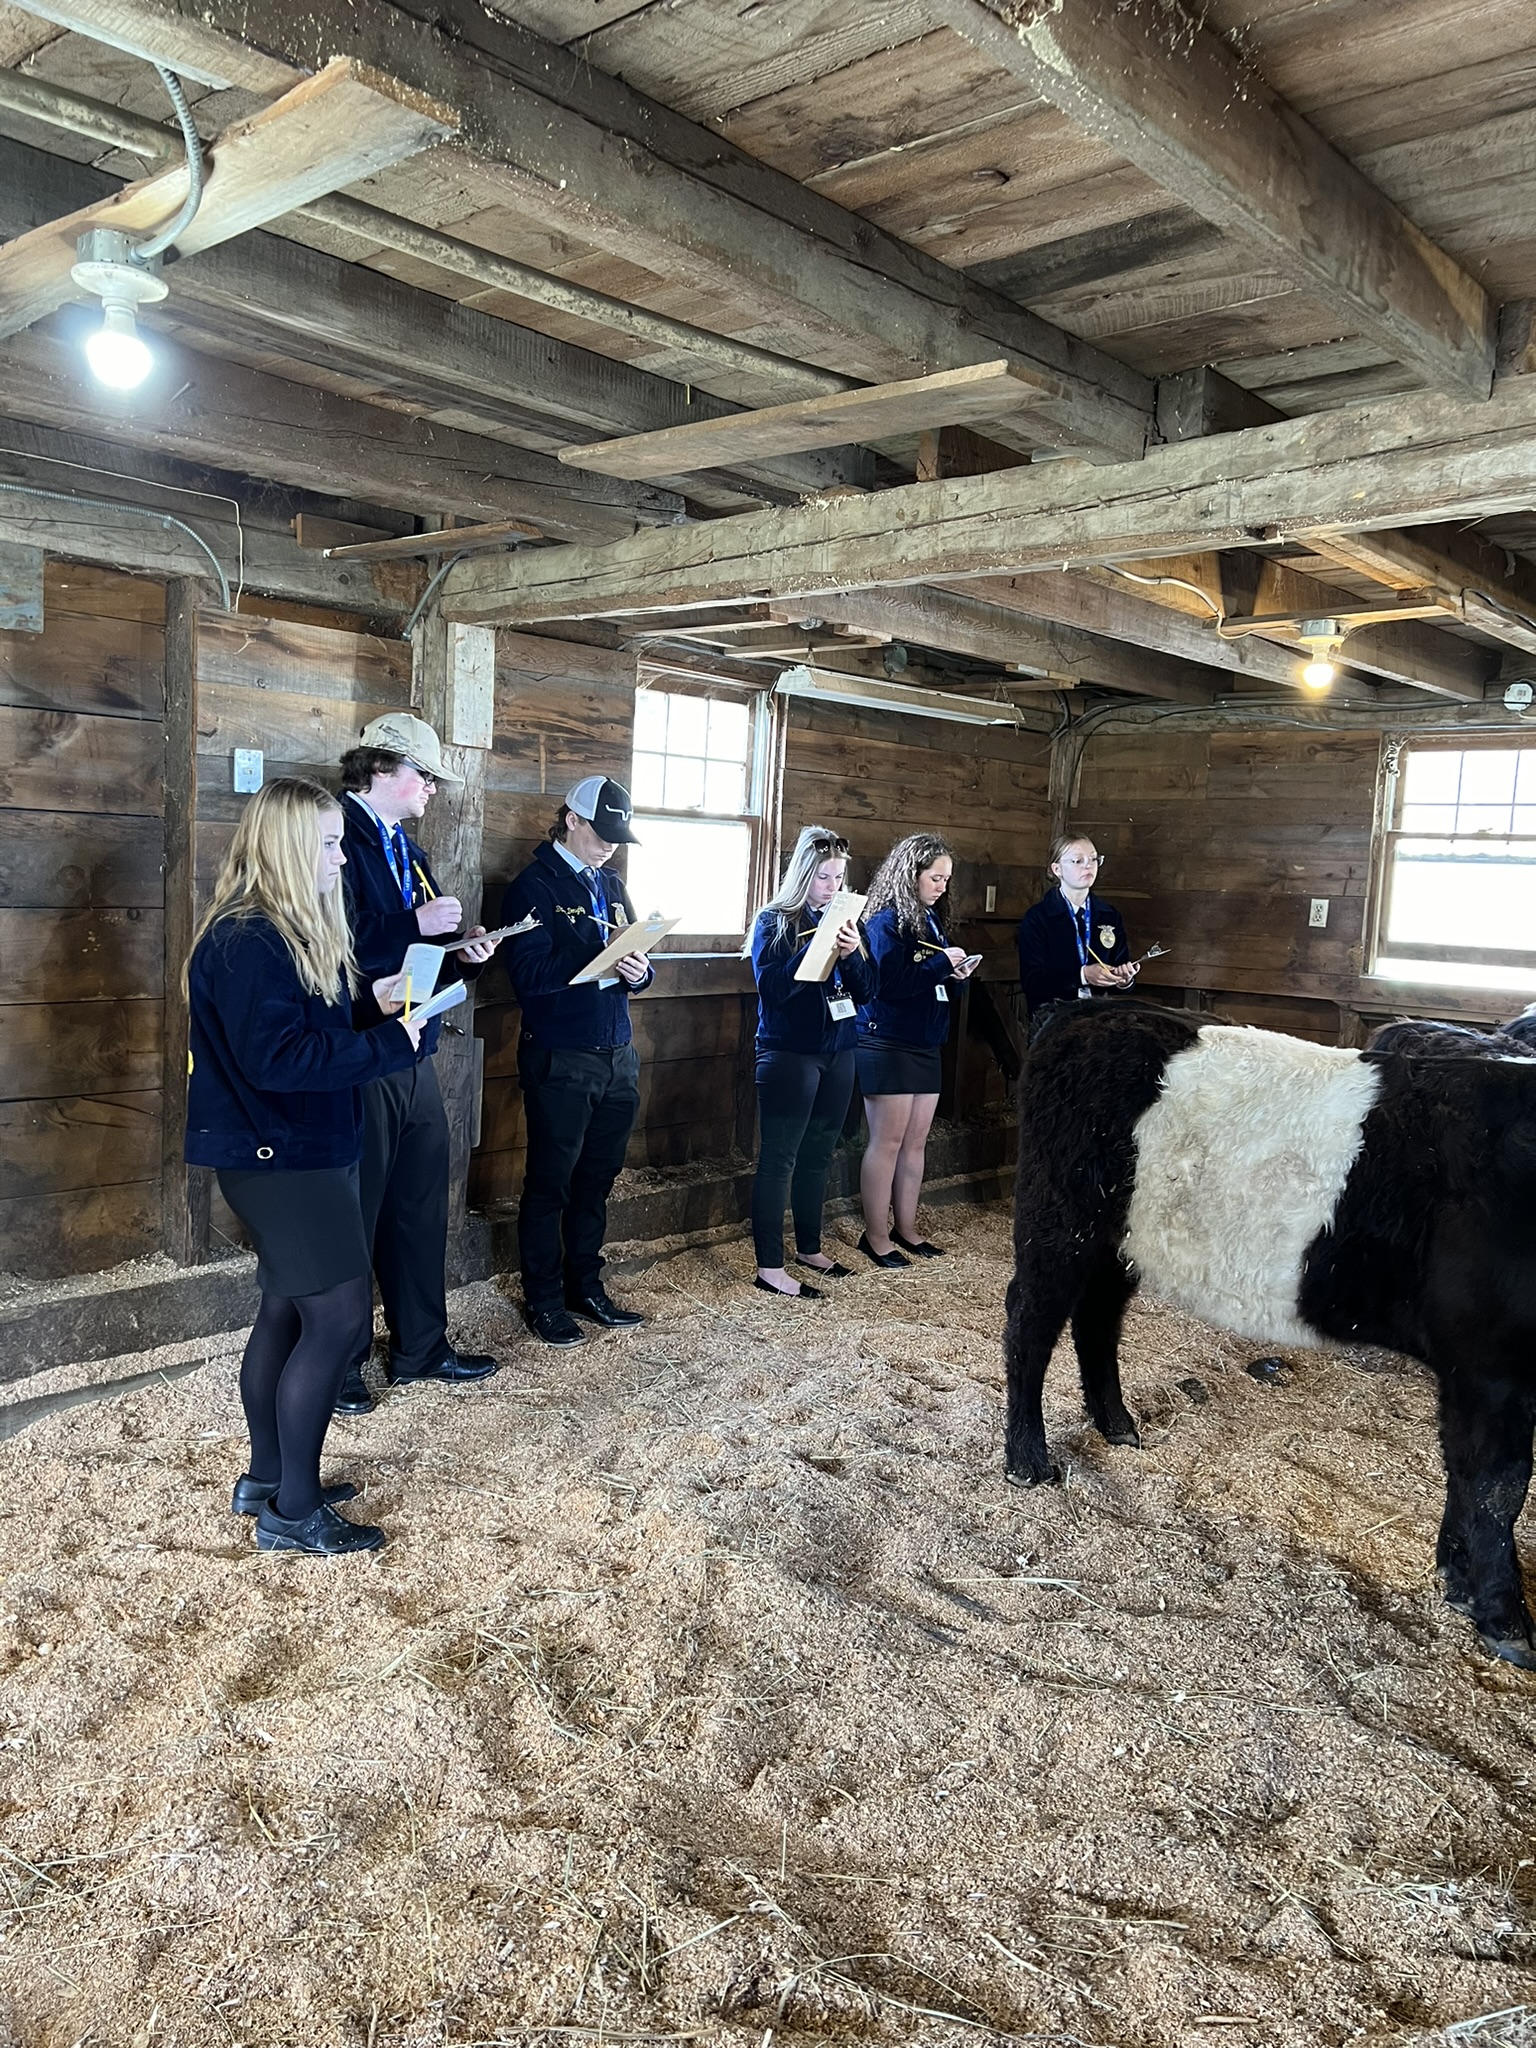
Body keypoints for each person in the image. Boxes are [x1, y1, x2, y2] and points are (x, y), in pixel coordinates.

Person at [185, 778, 422, 1555]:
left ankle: (268, 1479)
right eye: (328, 843)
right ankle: (293, 1511)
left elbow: (305, 1025)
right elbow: (278, 1059)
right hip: (282, 1155)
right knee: (340, 1320)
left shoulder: (277, 930)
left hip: (296, 1149)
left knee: (286, 1313)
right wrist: (388, 1044)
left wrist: (373, 1004)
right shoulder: (250, 940)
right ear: (288, 847)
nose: (341, 856)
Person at [333, 713, 504, 1414]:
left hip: (414, 1043)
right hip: (360, 1050)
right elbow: (332, 941)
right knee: (355, 1213)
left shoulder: (407, 847)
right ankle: (339, 1363)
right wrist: (415, 925)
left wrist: (465, 950)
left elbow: (422, 946)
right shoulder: (334, 836)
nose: (432, 787)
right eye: (423, 774)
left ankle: (421, 1349)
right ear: (381, 767)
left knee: (418, 1205)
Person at [501, 776, 653, 1346]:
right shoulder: (533, 887)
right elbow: (528, 975)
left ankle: (585, 1286)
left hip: (617, 1052)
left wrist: (639, 972)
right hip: (561, 1055)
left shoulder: (611, 884)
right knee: (551, 1183)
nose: (611, 845)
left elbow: (636, 957)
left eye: (618, 836)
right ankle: (543, 1299)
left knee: (597, 1179)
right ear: (572, 820)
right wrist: (598, 956)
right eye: (602, 832)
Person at [747, 826, 872, 1298]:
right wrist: (815, 945)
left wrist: (850, 954)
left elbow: (868, 991)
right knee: (780, 1158)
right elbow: (773, 989)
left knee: (819, 1153)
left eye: (839, 878)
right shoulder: (774, 921)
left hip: (839, 1049)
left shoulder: (847, 920)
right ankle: (769, 1267)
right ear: (803, 874)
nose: (832, 887)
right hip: (789, 1053)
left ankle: (810, 1248)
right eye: (823, 877)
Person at [854, 832, 976, 1268]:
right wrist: (942, 964)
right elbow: (889, 984)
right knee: (887, 1142)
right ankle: (875, 1236)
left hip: (925, 1041)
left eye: (946, 879)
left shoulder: (931, 920)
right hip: (887, 1040)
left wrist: (955, 976)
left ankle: (906, 1228)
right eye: (935, 878)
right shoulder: (886, 922)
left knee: (916, 1142)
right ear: (911, 875)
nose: (942, 886)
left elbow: (930, 980)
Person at [1016, 835, 1137, 1019]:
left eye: (1094, 859)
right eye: (1078, 861)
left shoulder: (1110, 915)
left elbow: (1120, 969)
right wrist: (1082, 976)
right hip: (1052, 1019)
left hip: (1100, 1017)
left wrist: (1124, 980)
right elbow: (1032, 982)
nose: (1088, 866)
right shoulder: (1038, 918)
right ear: (1057, 869)